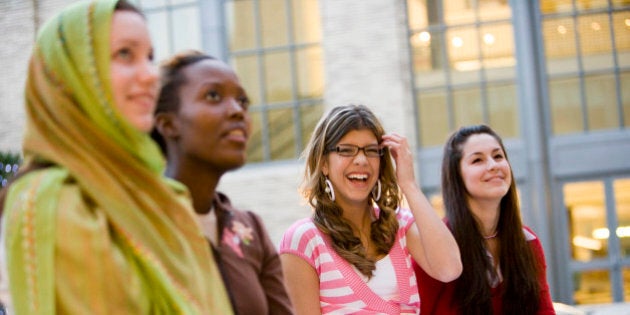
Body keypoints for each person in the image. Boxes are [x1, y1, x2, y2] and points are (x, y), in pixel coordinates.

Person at [0, 1, 233, 314]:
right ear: (72, 78)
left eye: (150, 57)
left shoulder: (163, 196)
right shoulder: (53, 201)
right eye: (125, 54)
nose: (151, 75)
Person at [278, 104, 462, 314]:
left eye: (371, 151)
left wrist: (409, 185)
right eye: (346, 150)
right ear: (324, 164)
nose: (361, 160)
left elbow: (450, 269)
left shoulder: (400, 225)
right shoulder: (304, 240)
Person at [151, 50, 294, 315]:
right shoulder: (136, 222)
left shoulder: (251, 231)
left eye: (242, 101)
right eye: (213, 96)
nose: (237, 111)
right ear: (168, 124)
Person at [414, 124, 555, 314]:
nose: (493, 166)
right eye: (478, 160)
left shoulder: (528, 242)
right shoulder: (435, 248)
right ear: (457, 176)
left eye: (498, 156)